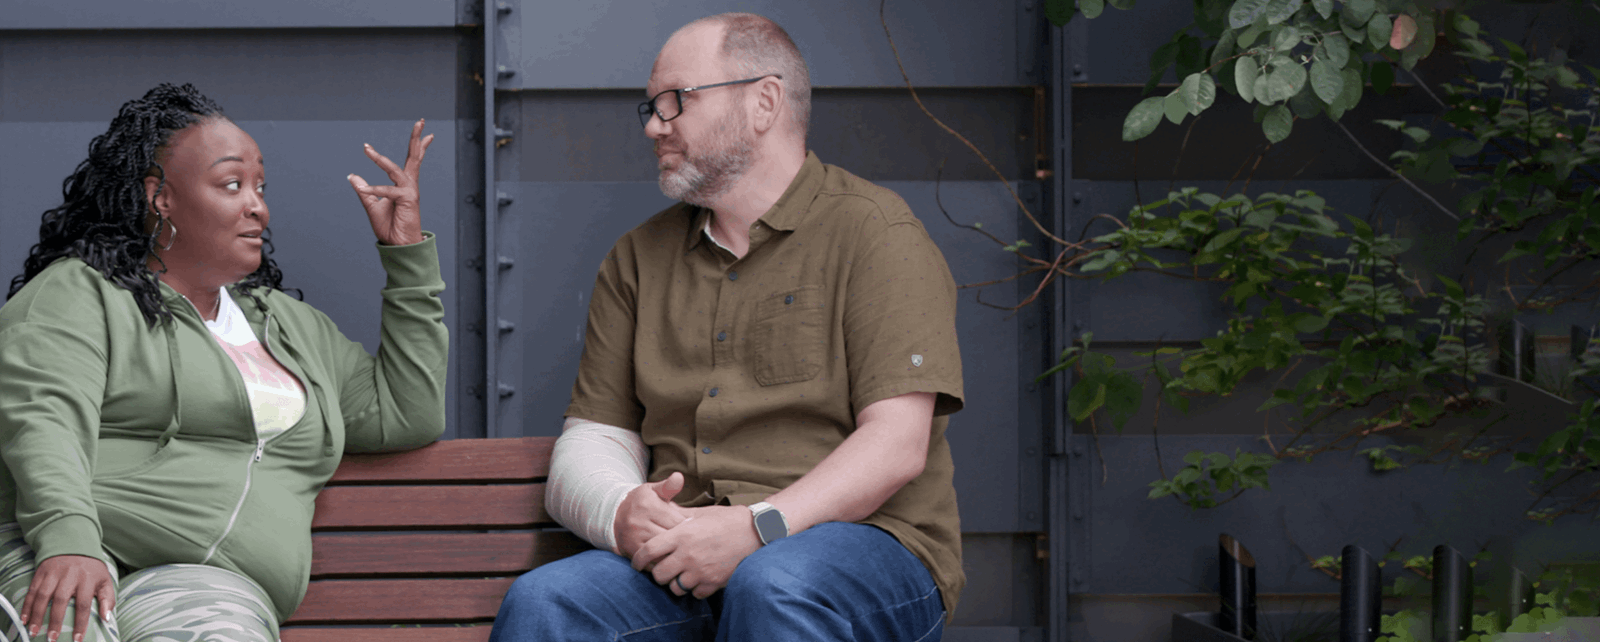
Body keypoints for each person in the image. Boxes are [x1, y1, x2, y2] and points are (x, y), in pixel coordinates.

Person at [489, 12, 965, 641]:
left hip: (865, 549)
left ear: (763, 101)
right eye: (651, 107)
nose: (655, 125)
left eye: (676, 101)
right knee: (547, 602)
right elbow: (594, 440)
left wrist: (754, 528)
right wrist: (620, 513)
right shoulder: (638, 258)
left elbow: (897, 444)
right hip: (688, 554)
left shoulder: (876, 233)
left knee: (772, 587)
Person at [0, 83, 448, 642]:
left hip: (205, 582)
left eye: (260, 186)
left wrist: (407, 261)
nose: (257, 204)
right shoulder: (79, 294)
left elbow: (406, 414)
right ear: (160, 197)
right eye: (232, 184)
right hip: (67, 549)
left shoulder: (288, 326)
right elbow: (45, 422)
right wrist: (68, 539)